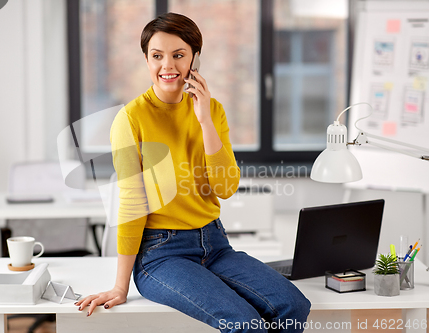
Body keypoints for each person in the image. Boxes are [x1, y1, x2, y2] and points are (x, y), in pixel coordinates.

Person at [76, 12, 311, 332]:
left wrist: (204, 121)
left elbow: (226, 187)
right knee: (245, 323)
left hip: (215, 244)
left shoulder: (212, 111)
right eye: (157, 56)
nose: (167, 66)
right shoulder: (131, 119)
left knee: (293, 304)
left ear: (194, 59)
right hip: (161, 254)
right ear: (146, 59)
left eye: (179, 55)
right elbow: (132, 203)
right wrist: (120, 286)